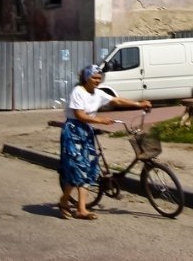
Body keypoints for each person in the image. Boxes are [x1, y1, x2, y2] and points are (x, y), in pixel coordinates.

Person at [58, 64, 151, 220]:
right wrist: (100, 120)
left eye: (99, 78)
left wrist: (139, 104)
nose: (97, 81)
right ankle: (64, 201)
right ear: (86, 78)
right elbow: (79, 114)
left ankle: (81, 209)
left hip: (86, 131)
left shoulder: (98, 93)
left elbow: (117, 101)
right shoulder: (78, 91)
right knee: (77, 168)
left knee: (88, 168)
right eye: (94, 77)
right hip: (73, 131)